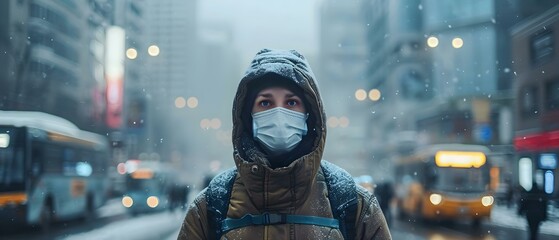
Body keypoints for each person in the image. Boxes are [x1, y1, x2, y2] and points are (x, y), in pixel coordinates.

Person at [178, 49, 391, 239]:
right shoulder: (212, 206)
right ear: (248, 116)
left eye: (291, 102)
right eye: (265, 103)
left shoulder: (351, 203)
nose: (279, 114)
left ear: (309, 115)